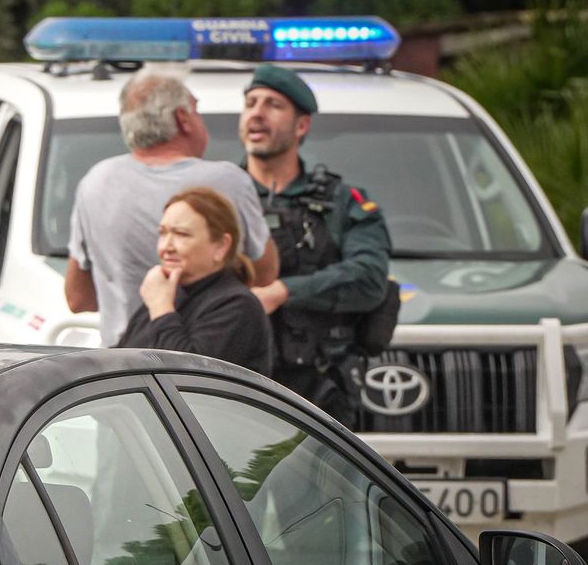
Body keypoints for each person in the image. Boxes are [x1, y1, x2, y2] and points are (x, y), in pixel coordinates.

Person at [66, 67, 279, 346]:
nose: (166, 246)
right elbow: (263, 274)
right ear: (183, 119)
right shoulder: (228, 181)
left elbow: (78, 297)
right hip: (208, 356)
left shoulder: (95, 181)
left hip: (119, 370)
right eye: (196, 110)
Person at [240, 64, 392, 421]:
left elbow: (369, 277)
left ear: (302, 125)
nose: (257, 114)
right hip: (233, 387)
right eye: (250, 103)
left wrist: (285, 292)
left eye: (273, 105)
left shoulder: (342, 202)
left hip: (320, 397)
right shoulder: (217, 197)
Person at [117, 188, 273, 375]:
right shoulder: (169, 295)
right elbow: (119, 360)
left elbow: (186, 375)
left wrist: (161, 309)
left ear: (221, 246)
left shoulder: (238, 305)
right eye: (163, 233)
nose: (167, 247)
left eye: (181, 234)